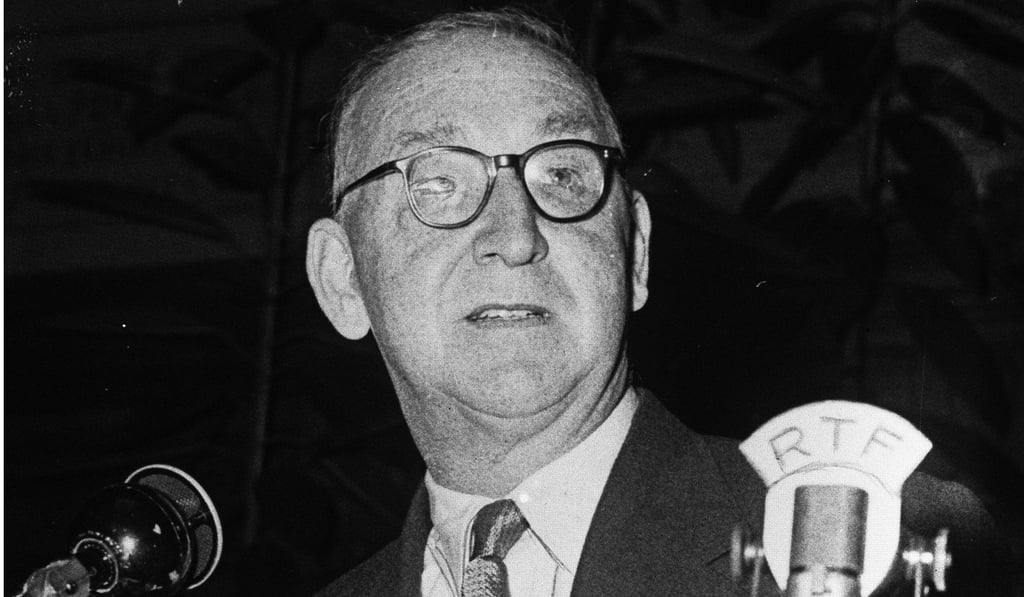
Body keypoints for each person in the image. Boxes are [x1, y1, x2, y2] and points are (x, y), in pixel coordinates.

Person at [305, 9, 1014, 597]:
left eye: (563, 173)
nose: (516, 235)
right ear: (343, 279)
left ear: (636, 252)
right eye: (436, 182)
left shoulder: (884, 543)